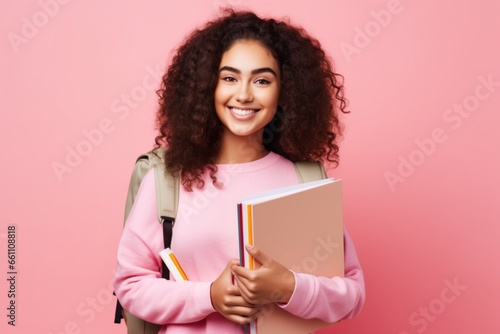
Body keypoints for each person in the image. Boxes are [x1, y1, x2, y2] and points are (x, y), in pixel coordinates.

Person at [114, 8, 365, 334]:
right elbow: (130, 284)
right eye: (229, 78)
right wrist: (209, 297)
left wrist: (288, 288)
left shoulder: (304, 182)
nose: (244, 94)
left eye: (262, 80)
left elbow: (352, 293)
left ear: (284, 90)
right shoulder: (166, 180)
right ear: (207, 86)